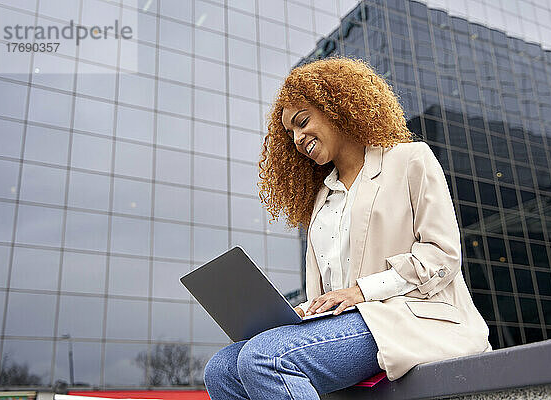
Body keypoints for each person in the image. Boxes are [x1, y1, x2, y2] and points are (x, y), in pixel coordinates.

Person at [203, 56, 491, 400]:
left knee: (265, 357)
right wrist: (308, 311)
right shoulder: (322, 200)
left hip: (411, 317)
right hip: (351, 325)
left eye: (302, 121)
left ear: (336, 106)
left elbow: (441, 255)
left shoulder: (411, 160)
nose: (296, 138)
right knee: (220, 368)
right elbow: (329, 290)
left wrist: (360, 291)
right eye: (290, 133)